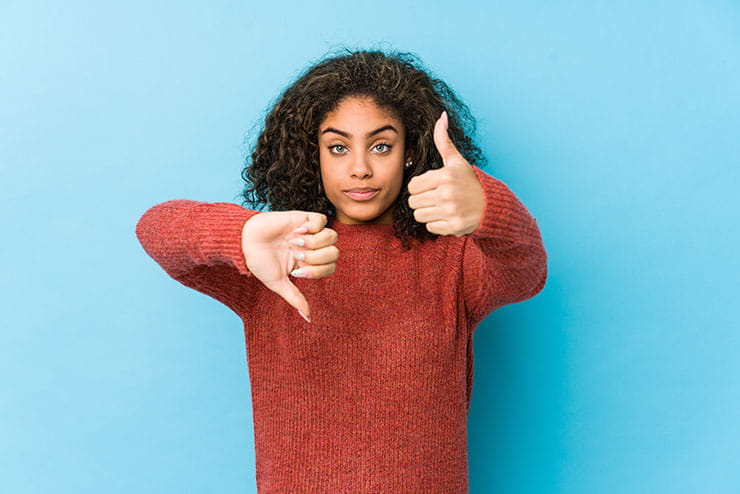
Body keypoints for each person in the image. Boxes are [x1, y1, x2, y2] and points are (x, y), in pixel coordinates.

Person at [136, 49, 548, 493]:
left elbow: (525, 270)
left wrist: (489, 206)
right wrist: (238, 233)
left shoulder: (453, 262)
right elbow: (156, 229)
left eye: (381, 146)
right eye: (338, 147)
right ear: (312, 156)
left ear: (411, 153)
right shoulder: (282, 252)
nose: (360, 168)